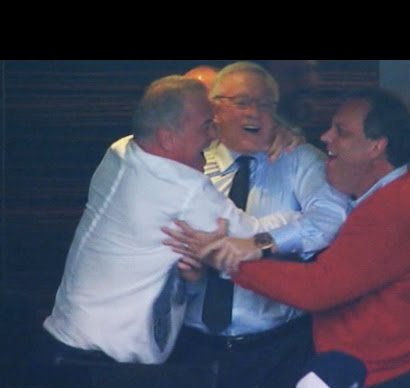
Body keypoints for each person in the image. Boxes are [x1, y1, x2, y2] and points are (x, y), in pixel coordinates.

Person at [171, 87, 410, 388]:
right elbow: (323, 231)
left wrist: (229, 260)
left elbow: (318, 288)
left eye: (341, 131)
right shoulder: (368, 193)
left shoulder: (395, 207)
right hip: (393, 374)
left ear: (376, 147)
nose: (325, 137)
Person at [39, 75, 298, 365]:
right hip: (104, 365)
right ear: (167, 138)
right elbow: (255, 235)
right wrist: (312, 219)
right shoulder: (184, 188)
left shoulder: (119, 150)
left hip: (67, 341)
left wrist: (192, 278)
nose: (214, 136)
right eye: (205, 126)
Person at [164, 62, 349, 388]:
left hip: (278, 350)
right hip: (195, 347)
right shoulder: (188, 164)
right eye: (243, 102)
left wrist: (258, 242)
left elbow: (332, 218)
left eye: (266, 104)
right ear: (215, 110)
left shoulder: (299, 159)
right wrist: (191, 276)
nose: (255, 113)